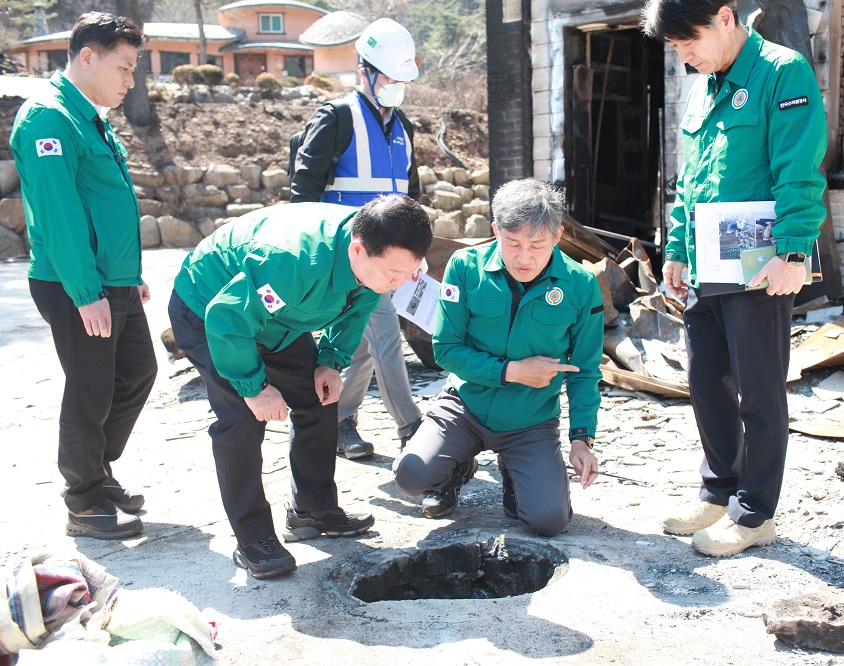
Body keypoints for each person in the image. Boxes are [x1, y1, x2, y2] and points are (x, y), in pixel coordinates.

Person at [642, 0, 827, 556]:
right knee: (706, 384)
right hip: (706, 266)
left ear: (725, 17)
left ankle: (754, 514)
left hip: (759, 267)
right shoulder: (702, 87)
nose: (684, 56)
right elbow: (689, 179)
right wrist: (675, 248)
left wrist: (794, 252)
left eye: (688, 41)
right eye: (675, 48)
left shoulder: (781, 71)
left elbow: (798, 165)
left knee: (759, 391)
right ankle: (718, 491)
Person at [167, 197, 432, 580]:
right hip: (211, 309)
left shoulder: (377, 258)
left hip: (278, 316)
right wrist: (254, 387)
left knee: (320, 393)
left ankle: (312, 508)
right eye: (394, 273)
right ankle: (253, 538)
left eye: (410, 272)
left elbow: (359, 305)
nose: (401, 283)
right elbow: (228, 318)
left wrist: (331, 360)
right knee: (242, 417)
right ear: (357, 250)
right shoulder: (293, 260)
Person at [9, 12, 155, 540]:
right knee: (91, 389)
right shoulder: (49, 118)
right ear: (87, 56)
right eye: (124, 66)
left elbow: (106, 202)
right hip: (75, 283)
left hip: (112, 281)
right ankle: (84, 500)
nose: (130, 79)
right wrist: (86, 291)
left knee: (137, 372)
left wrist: (128, 274)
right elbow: (59, 213)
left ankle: (96, 469)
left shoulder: (88, 116)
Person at [393, 179, 603, 537]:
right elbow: (446, 349)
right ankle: (455, 469)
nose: (524, 258)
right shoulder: (464, 267)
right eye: (513, 243)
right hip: (465, 408)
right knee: (410, 476)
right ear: (495, 231)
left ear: (557, 236)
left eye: (537, 245)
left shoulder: (580, 285)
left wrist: (582, 438)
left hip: (530, 421)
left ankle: (514, 472)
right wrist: (511, 371)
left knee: (548, 521)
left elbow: (585, 371)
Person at [290, 17, 423, 460]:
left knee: (363, 345)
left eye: (402, 79)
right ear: (364, 70)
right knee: (385, 335)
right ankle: (413, 428)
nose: (396, 86)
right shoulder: (335, 118)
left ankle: (340, 421)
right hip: (349, 256)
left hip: (391, 258)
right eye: (390, 77)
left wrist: (416, 255)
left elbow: (412, 197)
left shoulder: (403, 127)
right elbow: (304, 189)